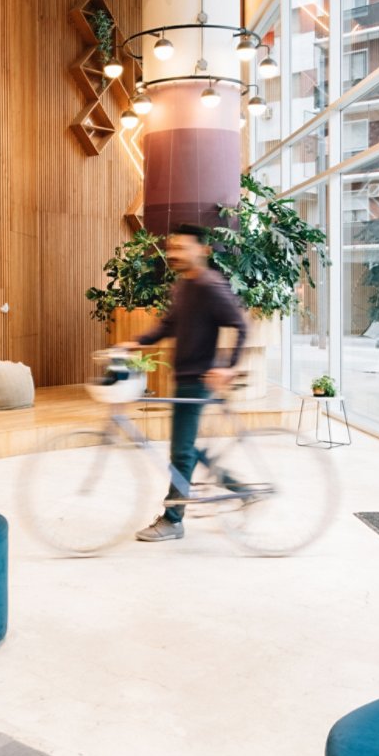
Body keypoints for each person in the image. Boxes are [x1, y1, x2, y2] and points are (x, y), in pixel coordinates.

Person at [121, 224, 247, 542]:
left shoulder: (209, 285)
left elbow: (240, 325)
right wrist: (134, 343)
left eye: (181, 247)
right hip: (184, 379)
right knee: (187, 449)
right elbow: (168, 325)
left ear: (201, 250)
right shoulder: (184, 286)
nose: (174, 253)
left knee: (181, 453)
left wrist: (228, 367)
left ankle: (173, 519)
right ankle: (241, 489)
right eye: (172, 247)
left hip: (198, 380)